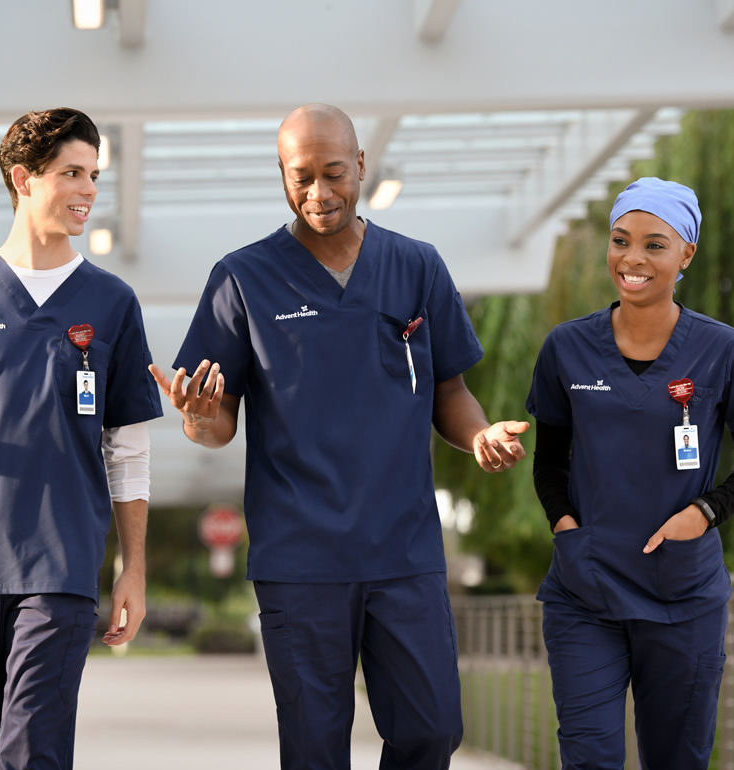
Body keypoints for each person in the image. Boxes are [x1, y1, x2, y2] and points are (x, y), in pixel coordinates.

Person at [150, 103, 529, 770]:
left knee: (432, 728)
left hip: (403, 549)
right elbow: (218, 424)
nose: (318, 194)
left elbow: (451, 392)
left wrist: (477, 437)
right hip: (301, 559)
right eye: (300, 178)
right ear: (281, 175)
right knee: (314, 749)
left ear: (360, 166)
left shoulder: (417, 266)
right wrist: (195, 415)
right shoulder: (242, 278)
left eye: (333, 174)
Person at [0, 108, 162, 769]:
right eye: (71, 173)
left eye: (94, 176)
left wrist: (131, 567)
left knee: (32, 752)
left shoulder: (112, 303)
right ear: (23, 179)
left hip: (60, 568)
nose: (88, 191)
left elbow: (128, 452)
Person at [528, 177, 733, 770]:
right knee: (589, 756)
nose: (632, 259)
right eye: (620, 240)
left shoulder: (720, 351)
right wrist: (565, 525)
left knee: (679, 758)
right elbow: (550, 460)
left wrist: (705, 512)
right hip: (585, 590)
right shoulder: (566, 348)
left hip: (683, 594)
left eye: (654, 244)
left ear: (686, 254)